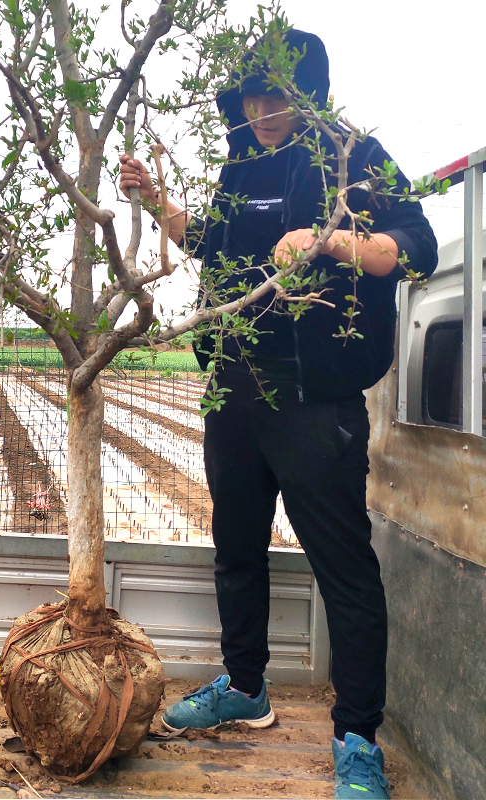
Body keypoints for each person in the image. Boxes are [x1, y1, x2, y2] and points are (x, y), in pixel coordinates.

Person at [119, 29, 437, 800]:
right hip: (235, 390)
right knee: (235, 548)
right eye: (251, 95)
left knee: (345, 570)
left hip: (315, 402)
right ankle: (246, 685)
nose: (261, 109)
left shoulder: (356, 157)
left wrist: (330, 243)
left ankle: (357, 737)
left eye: (275, 94)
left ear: (308, 94)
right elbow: (216, 248)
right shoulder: (243, 160)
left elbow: (417, 247)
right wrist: (154, 201)